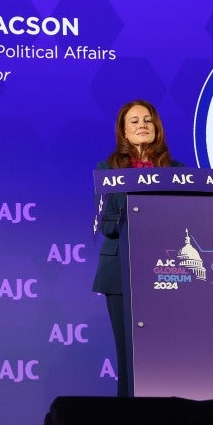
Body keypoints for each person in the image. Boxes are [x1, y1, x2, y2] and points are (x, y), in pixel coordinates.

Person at [91, 99, 183, 397]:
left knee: (165, 358)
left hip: (168, 273)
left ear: (157, 128)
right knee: (130, 358)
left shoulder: (177, 170)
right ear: (124, 132)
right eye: (134, 121)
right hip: (120, 274)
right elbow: (107, 224)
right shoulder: (107, 170)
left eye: (148, 119)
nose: (142, 125)